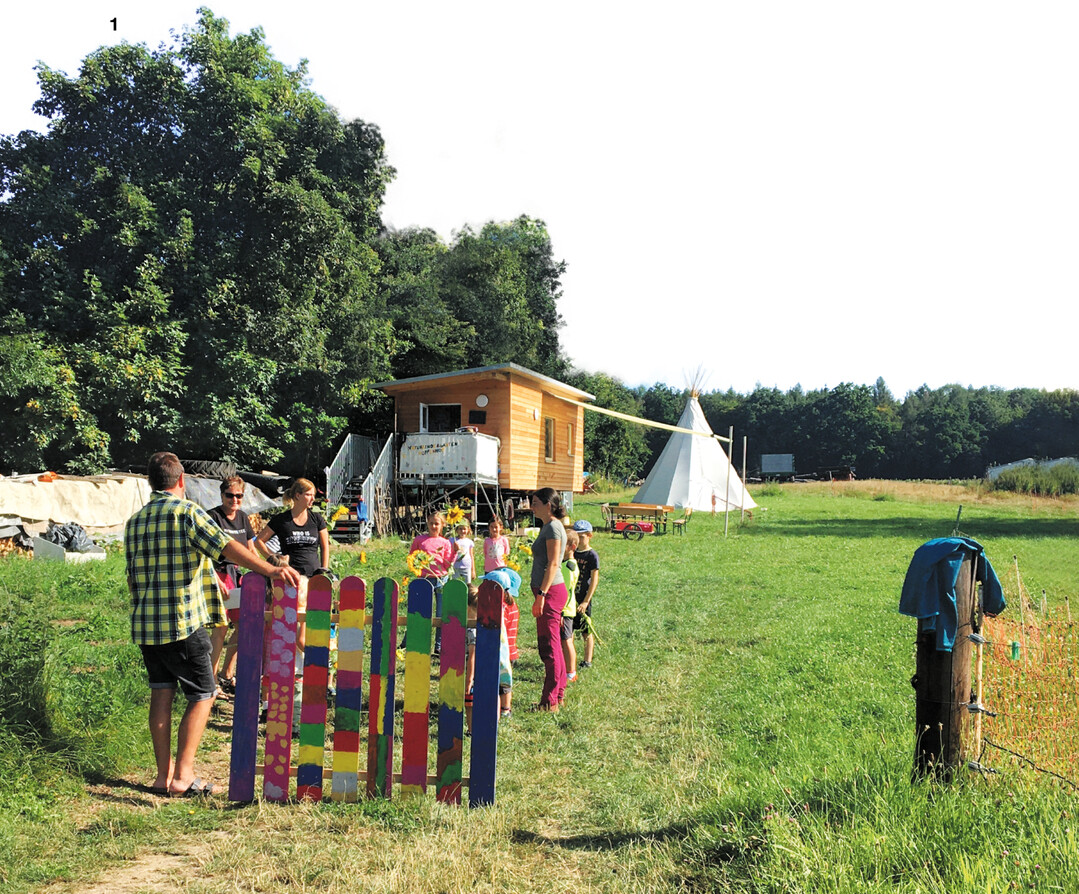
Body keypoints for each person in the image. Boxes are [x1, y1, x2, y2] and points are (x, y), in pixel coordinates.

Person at [126, 452, 300, 797]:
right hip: (181, 622)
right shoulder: (187, 512)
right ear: (181, 481)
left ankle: (162, 777)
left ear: (150, 482)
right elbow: (226, 547)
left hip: (146, 623)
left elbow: (132, 575)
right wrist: (270, 569)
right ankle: (184, 777)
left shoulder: (135, 520)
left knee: (161, 693)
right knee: (204, 694)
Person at [255, 478, 330, 669]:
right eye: (309, 494)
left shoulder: (317, 519)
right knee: (291, 625)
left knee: (313, 623)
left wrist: (324, 569)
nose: (313, 498)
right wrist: (275, 560)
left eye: (313, 495)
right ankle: (293, 668)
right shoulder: (282, 520)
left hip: (313, 577)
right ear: (297, 495)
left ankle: (316, 666)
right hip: (290, 578)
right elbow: (258, 541)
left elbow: (325, 546)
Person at [207, 476, 257, 691]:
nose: (234, 500)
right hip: (218, 574)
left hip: (238, 576)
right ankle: (212, 679)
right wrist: (215, 580)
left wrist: (263, 572)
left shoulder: (244, 518)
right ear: (222, 495)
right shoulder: (212, 517)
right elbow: (205, 553)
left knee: (243, 625)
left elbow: (251, 551)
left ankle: (228, 674)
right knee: (220, 628)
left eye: (239, 496)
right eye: (230, 495)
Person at [528, 487, 569, 712]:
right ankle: (558, 695)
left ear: (548, 504)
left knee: (550, 648)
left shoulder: (553, 527)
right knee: (552, 645)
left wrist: (541, 596)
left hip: (550, 592)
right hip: (549, 592)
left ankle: (549, 701)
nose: (531, 507)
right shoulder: (549, 526)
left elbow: (553, 563)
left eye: (535, 503)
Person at [410, 511, 456, 653]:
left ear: (442, 525)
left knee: (441, 613)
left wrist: (455, 553)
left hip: (441, 579)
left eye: (437, 523)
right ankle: (420, 642)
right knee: (422, 611)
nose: (434, 526)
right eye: (431, 523)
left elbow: (448, 564)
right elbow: (412, 557)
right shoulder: (420, 540)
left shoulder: (445, 543)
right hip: (424, 579)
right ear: (427, 524)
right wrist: (416, 566)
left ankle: (439, 645)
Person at [572, 520, 600, 669]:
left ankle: (587, 660)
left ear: (589, 536)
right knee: (567, 631)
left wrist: (586, 601)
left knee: (585, 630)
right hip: (570, 599)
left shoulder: (592, 556)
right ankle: (569, 659)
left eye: (581, 537)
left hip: (583, 599)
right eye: (576, 536)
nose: (578, 540)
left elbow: (594, 580)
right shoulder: (571, 552)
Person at [560, 528, 580, 683]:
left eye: (564, 545)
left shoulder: (568, 567)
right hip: (567, 608)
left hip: (565, 610)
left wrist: (560, 612)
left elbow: (564, 592)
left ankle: (571, 672)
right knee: (566, 639)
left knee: (567, 640)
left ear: (572, 547)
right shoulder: (568, 564)